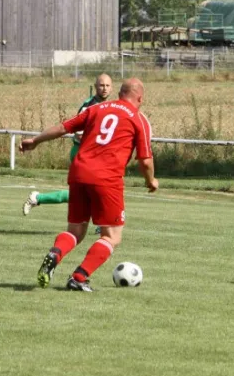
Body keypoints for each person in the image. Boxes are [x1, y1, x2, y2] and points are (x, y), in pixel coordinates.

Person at [19, 77, 158, 292]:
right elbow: (146, 160)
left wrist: (35, 141)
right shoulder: (138, 119)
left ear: (119, 93)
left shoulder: (97, 108)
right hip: (107, 179)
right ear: (140, 98)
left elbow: (62, 127)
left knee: (75, 230)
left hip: (78, 172)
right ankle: (79, 277)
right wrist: (151, 181)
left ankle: (55, 254)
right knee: (111, 236)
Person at [22, 74, 113, 216]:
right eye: (101, 85)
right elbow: (79, 133)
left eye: (107, 86)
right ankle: (102, 223)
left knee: (81, 195)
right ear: (95, 87)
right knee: (98, 189)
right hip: (81, 153)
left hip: (92, 154)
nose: (104, 89)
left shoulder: (107, 106)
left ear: (111, 87)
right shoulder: (89, 106)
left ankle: (37, 198)